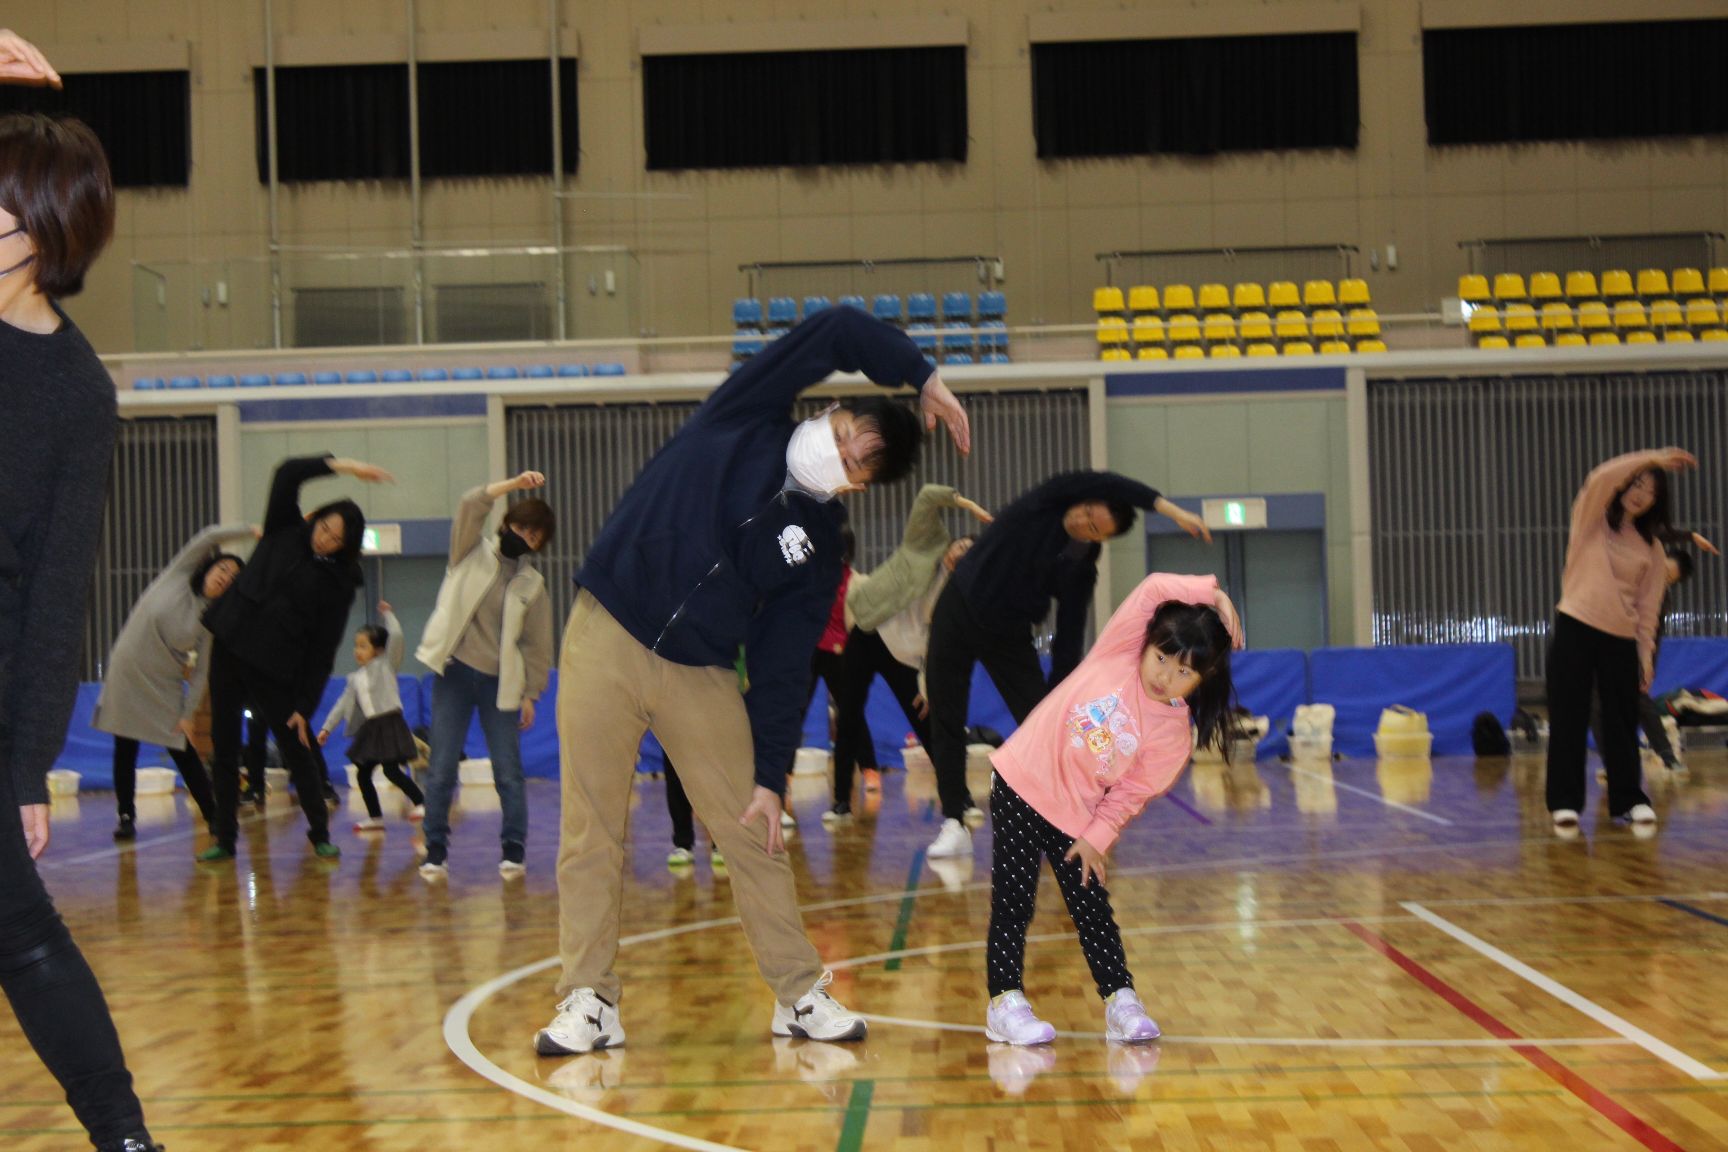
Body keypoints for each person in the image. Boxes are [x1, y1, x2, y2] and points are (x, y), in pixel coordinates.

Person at [538, 306, 969, 1056]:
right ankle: (589, 1000)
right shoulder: (748, 413)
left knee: (755, 828)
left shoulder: (821, 547)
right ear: (831, 409)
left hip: (697, 671)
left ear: (862, 485)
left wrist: (771, 775)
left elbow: (778, 665)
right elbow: (834, 328)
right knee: (590, 830)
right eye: (843, 433)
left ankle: (798, 994)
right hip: (604, 629)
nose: (841, 453)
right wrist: (922, 372)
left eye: (857, 460)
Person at [0, 100, 164, 1152]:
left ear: (45, 233)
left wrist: (25, 769)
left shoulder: (74, 391)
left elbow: (58, 593)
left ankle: (124, 1136)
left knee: (20, 933)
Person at [983, 573, 1241, 1047]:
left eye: (1184, 672)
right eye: (1161, 657)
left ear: (1203, 679)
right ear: (1145, 644)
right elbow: (1154, 588)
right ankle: (1004, 1001)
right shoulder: (1118, 651)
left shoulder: (1172, 737)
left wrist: (1096, 837)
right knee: (1014, 903)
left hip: (1076, 816)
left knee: (1092, 908)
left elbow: (1127, 796)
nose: (1165, 675)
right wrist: (1214, 594)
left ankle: (1120, 999)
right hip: (1020, 783)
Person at [923, 471, 1212, 859]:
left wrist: (1063, 694)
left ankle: (1061, 819)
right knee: (945, 711)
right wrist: (1168, 508)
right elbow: (1107, 481)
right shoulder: (1049, 502)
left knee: (1044, 722)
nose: (1081, 520)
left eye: (1092, 527)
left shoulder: (1079, 567)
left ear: (1098, 540)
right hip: (959, 605)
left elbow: (1069, 636)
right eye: (1087, 509)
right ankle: (954, 818)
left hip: (1007, 634)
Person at [199, 453, 392, 861]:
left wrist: (305, 705)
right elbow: (286, 473)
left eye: (335, 538)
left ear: (345, 546)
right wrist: (343, 466)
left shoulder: (338, 585)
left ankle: (319, 831)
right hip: (231, 645)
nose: (324, 539)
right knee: (225, 744)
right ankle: (224, 838)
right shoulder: (283, 529)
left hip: (275, 668)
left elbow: (323, 650)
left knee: (296, 746)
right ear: (315, 519)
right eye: (324, 527)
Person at [1546, 448, 1696, 834]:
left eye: (1650, 489)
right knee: (1569, 716)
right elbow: (1599, 477)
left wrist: (1645, 657)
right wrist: (1655, 458)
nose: (1640, 493)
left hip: (1621, 638)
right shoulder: (1591, 519)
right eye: (1635, 483)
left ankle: (1629, 799)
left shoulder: (1653, 548)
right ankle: (1564, 802)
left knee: (1622, 721)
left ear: (1657, 501)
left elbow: (1649, 612)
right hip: (1575, 625)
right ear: (1623, 486)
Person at [414, 471, 555, 879]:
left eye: (535, 534)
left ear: (541, 544)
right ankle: (435, 849)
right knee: (440, 767)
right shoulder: (470, 552)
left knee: (508, 771)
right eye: (522, 526)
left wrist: (530, 692)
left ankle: (513, 847)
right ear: (507, 522)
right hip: (455, 675)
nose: (526, 536)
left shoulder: (533, 584)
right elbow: (470, 503)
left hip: (500, 685)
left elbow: (536, 645)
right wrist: (511, 486)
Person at [825, 483, 992, 823]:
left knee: (926, 723)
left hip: (903, 655)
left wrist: (927, 687)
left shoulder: (959, 594)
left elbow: (940, 644)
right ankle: (841, 801)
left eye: (967, 553)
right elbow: (927, 496)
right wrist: (964, 502)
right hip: (869, 632)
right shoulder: (925, 546)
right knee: (849, 716)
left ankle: (958, 798)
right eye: (960, 545)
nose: (959, 552)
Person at [94, 523, 253, 840]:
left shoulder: (211, 620)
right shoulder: (177, 575)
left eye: (233, 578)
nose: (225, 577)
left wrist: (187, 712)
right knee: (124, 746)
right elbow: (208, 536)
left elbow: (201, 672)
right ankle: (126, 817)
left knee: (182, 750)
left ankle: (213, 815)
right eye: (223, 568)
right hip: (127, 670)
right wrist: (251, 530)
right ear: (209, 567)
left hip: (163, 682)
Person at [1591, 532, 1716, 779]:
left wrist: (1649, 665)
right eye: (1664, 569)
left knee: (1641, 703)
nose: (1662, 576)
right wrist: (1690, 536)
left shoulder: (1661, 600)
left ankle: (1668, 757)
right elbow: (1653, 533)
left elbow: (1653, 637)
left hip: (1633, 655)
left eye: (1669, 577)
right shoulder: (1633, 570)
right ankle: (1611, 763)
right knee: (1596, 706)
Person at [319, 603, 425, 832]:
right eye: (355, 646)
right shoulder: (355, 678)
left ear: (377, 650)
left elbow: (396, 636)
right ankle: (375, 818)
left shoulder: (386, 665)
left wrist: (388, 614)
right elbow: (341, 705)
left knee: (391, 770)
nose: (357, 651)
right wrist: (326, 728)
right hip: (372, 728)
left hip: (389, 723)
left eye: (363, 646)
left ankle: (421, 803)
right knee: (363, 773)